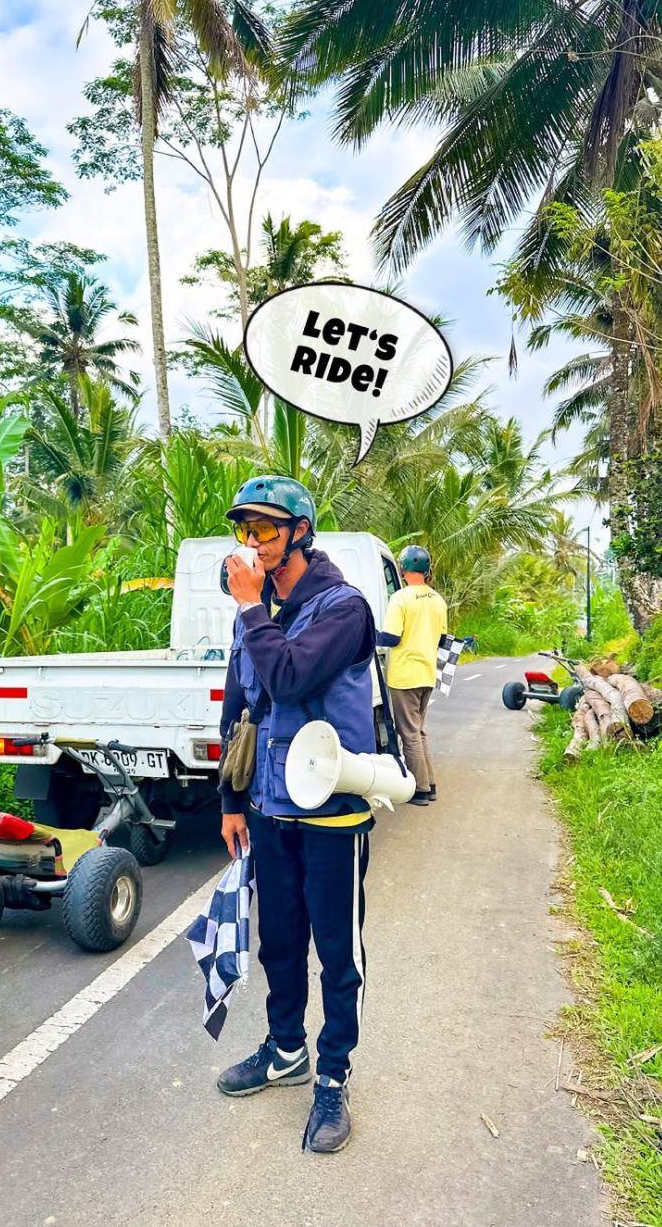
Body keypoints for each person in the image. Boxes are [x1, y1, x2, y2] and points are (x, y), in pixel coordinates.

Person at [217, 476, 376, 1155]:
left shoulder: (344, 608)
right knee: (277, 940)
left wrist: (252, 606)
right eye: (243, 531)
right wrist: (229, 801)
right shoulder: (250, 614)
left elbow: (287, 678)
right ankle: (286, 1050)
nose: (250, 544)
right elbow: (239, 707)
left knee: (336, 954)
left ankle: (333, 1076)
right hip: (269, 810)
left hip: (332, 811)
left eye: (265, 530)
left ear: (301, 532)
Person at [377, 545, 448, 807]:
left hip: (404, 675)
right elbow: (441, 638)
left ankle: (419, 789)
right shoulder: (438, 600)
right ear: (426, 570)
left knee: (408, 733)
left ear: (403, 569)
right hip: (427, 673)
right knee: (418, 730)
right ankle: (430, 783)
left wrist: (368, 632)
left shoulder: (401, 598)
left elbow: (391, 638)